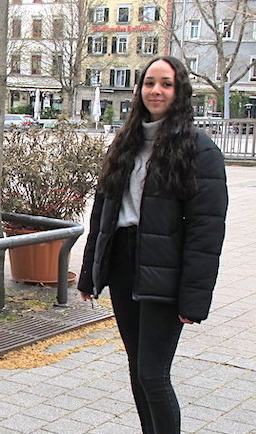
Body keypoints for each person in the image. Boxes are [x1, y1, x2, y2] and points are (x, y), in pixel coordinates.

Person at [78, 56, 227, 434]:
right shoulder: (126, 142)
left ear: (179, 91)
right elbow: (103, 214)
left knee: (153, 374)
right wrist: (89, 272)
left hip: (166, 273)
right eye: (149, 83)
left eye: (165, 83)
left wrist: (194, 298)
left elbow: (206, 233)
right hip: (124, 266)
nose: (156, 90)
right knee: (138, 370)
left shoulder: (199, 150)